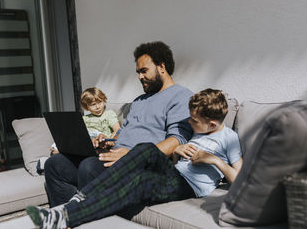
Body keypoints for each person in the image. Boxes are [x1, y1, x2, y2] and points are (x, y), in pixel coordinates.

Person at [26, 89, 243, 229]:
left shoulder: (229, 139)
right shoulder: (199, 131)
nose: (189, 123)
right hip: (173, 173)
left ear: (213, 124)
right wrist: (179, 150)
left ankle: (64, 217)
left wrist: (214, 160)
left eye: (194, 121)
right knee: (146, 148)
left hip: (188, 187)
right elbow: (177, 159)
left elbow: (241, 180)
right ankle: (81, 197)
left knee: (140, 182)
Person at [44, 41, 194, 206]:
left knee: (89, 167)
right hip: (113, 158)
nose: (140, 77)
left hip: (138, 166)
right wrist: (106, 142)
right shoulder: (139, 101)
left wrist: (132, 157)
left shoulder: (181, 96)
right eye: (138, 72)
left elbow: (177, 140)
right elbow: (123, 134)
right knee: (55, 164)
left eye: (144, 71)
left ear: (162, 67)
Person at [49, 87, 121, 155]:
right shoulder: (84, 118)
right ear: (86, 107)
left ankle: (64, 151)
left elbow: (117, 130)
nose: (97, 107)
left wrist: (111, 140)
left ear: (104, 101)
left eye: (100, 103)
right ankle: (58, 148)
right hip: (87, 142)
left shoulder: (109, 114)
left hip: (102, 142)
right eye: (93, 105)